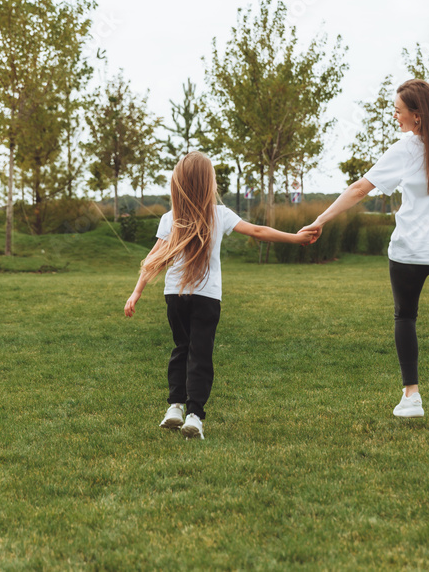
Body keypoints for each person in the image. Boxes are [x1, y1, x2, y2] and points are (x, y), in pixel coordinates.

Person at [301, 79, 429, 446]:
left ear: (417, 117)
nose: (395, 115)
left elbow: (360, 189)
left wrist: (321, 219)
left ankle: (411, 396)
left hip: (410, 252)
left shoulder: (407, 148)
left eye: (399, 110)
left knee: (405, 316)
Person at [125, 151, 315, 441]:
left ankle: (175, 407)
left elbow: (154, 259)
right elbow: (258, 231)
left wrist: (136, 292)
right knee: (200, 353)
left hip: (174, 296)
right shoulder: (219, 214)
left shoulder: (170, 218)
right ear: (208, 183)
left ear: (178, 183)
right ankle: (194, 416)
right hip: (206, 298)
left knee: (181, 348)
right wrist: (296, 238)